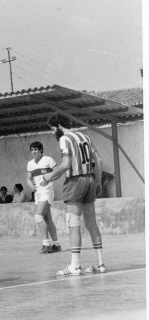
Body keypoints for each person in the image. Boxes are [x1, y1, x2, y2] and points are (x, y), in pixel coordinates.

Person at [40, 114, 104, 276]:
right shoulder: (85, 136)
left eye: (53, 129)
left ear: (59, 126)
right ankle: (101, 263)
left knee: (73, 223)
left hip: (75, 182)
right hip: (90, 179)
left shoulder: (64, 139)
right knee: (91, 223)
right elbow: (99, 160)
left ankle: (75, 266)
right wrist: (97, 182)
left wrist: (49, 176)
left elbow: (66, 165)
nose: (53, 132)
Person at [27, 141, 62, 254]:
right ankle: (56, 245)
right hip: (38, 194)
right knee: (48, 219)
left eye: (36, 149)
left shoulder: (48, 160)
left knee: (38, 216)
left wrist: (49, 180)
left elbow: (58, 172)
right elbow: (28, 178)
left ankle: (46, 244)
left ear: (41, 150)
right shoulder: (30, 164)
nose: (34, 152)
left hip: (47, 191)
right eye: (32, 150)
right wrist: (32, 186)